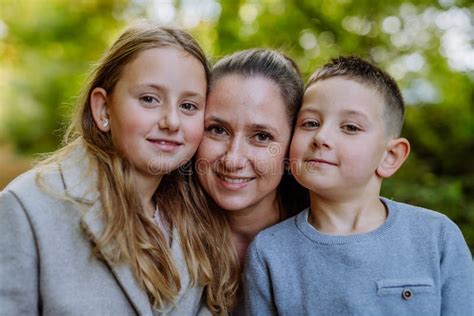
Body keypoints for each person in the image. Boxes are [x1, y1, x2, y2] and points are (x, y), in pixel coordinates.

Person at [0, 22, 232, 315]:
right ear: (103, 109)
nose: (172, 122)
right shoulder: (28, 208)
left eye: (188, 106)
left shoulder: (199, 217)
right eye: (149, 99)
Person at [244, 56, 473, 315]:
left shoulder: (436, 236)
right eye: (310, 123)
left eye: (350, 127)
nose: (321, 137)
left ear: (390, 156)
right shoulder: (270, 252)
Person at [195, 49, 309, 309]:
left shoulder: (322, 238)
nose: (232, 160)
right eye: (217, 130)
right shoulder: (161, 231)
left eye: (261, 136)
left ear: (292, 144)